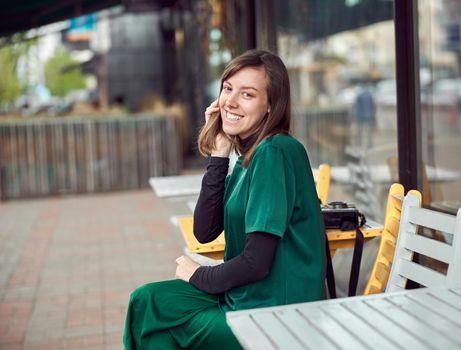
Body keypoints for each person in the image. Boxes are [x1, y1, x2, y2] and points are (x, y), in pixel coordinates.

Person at [123, 49, 326, 349]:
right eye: (228, 89)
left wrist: (199, 275)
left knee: (159, 325)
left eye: (247, 94)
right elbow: (204, 232)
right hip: (243, 295)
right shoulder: (248, 157)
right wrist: (219, 152)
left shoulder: (274, 152)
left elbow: (256, 262)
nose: (230, 101)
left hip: (276, 314)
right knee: (146, 301)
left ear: (271, 105)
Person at [354, 84, 376, 149]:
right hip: (369, 115)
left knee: (360, 131)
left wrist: (355, 116)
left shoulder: (359, 95)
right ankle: (370, 144)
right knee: (369, 131)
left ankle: (359, 143)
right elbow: (373, 106)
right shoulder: (370, 95)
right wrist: (373, 115)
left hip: (360, 115)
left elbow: (356, 107)